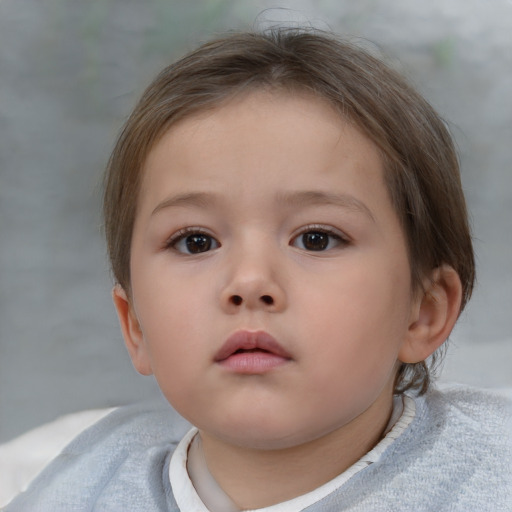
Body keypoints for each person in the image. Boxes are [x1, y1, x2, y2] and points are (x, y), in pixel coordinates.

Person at [5, 28, 511, 511]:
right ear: (135, 323)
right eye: (195, 241)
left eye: (317, 238)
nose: (249, 282)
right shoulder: (81, 484)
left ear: (422, 311)